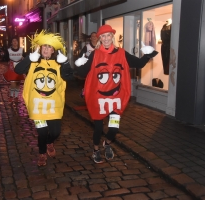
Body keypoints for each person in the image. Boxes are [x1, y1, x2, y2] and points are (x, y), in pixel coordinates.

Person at [74, 24, 158, 164]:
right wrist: (79, 64)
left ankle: (107, 144)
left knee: (114, 128)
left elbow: (138, 64)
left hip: (115, 98)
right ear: (100, 38)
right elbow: (83, 73)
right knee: (99, 128)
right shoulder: (95, 54)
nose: (106, 38)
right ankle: (95, 150)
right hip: (98, 98)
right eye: (103, 36)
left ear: (112, 37)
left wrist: (148, 54)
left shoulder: (121, 53)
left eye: (108, 35)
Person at [14, 30, 74, 166]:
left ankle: (49, 142)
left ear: (53, 50)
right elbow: (17, 70)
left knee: (55, 132)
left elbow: (69, 77)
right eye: (44, 47)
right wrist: (30, 57)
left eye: (49, 47)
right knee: (42, 132)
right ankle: (42, 154)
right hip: (37, 105)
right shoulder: (33, 62)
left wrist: (65, 63)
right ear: (40, 48)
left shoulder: (58, 64)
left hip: (54, 105)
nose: (46, 50)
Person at [3, 37, 27, 102]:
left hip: (19, 67)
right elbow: (5, 58)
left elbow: (25, 57)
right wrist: (8, 61)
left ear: (18, 42)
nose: (15, 42)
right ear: (11, 42)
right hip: (12, 68)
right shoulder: (8, 50)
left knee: (17, 83)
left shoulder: (21, 49)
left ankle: (16, 96)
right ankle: (11, 95)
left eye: (16, 41)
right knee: (13, 83)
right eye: (13, 41)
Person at [77, 32, 98, 98]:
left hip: (98, 67)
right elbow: (81, 56)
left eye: (95, 36)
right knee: (89, 80)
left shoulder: (100, 46)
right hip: (89, 67)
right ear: (90, 38)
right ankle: (85, 91)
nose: (94, 37)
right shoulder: (87, 47)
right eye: (93, 36)